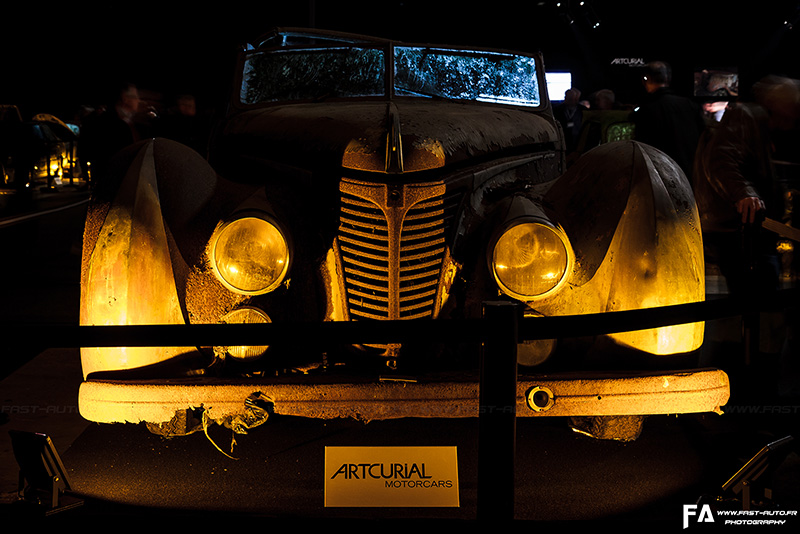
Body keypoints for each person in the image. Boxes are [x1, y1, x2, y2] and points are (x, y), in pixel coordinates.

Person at [693, 75, 800, 295]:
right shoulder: (747, 116)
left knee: (756, 290)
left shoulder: (759, 122)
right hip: (740, 229)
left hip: (745, 228)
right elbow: (722, 159)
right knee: (758, 291)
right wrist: (744, 193)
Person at [632, 61, 706, 179]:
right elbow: (704, 138)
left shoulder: (645, 110)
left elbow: (642, 149)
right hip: (692, 175)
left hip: (662, 177)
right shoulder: (689, 105)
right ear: (668, 79)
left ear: (646, 79)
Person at [79, 82, 148, 188]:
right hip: (116, 182)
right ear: (125, 99)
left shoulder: (134, 121)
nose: (138, 101)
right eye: (135, 97)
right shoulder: (106, 123)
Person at [553, 88, 587, 156]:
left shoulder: (584, 110)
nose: (567, 99)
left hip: (578, 140)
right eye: (566, 97)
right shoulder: (556, 109)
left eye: (571, 98)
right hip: (562, 139)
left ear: (576, 99)